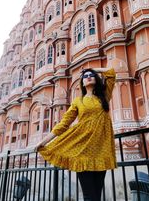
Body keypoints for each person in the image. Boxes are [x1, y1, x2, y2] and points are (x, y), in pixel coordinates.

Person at [35, 67, 117, 201]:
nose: (89, 77)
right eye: (85, 76)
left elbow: (111, 73)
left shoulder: (104, 96)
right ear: (82, 83)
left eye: (91, 75)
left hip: (101, 150)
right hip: (82, 150)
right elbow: (63, 124)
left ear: (96, 79)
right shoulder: (78, 101)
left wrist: (93, 69)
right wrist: (43, 142)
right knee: (89, 195)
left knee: (97, 193)